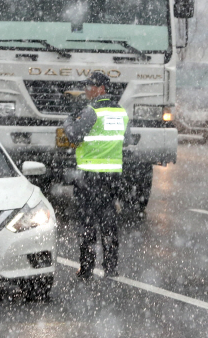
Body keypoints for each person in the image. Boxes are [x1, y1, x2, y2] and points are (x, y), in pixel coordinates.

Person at [63, 72, 131, 279]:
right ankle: (111, 267)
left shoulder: (92, 111)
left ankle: (86, 268)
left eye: (90, 86)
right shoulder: (121, 112)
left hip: (90, 177)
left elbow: (74, 135)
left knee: (87, 223)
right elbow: (126, 140)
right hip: (112, 177)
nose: (86, 90)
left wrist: (68, 121)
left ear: (101, 89)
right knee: (109, 222)